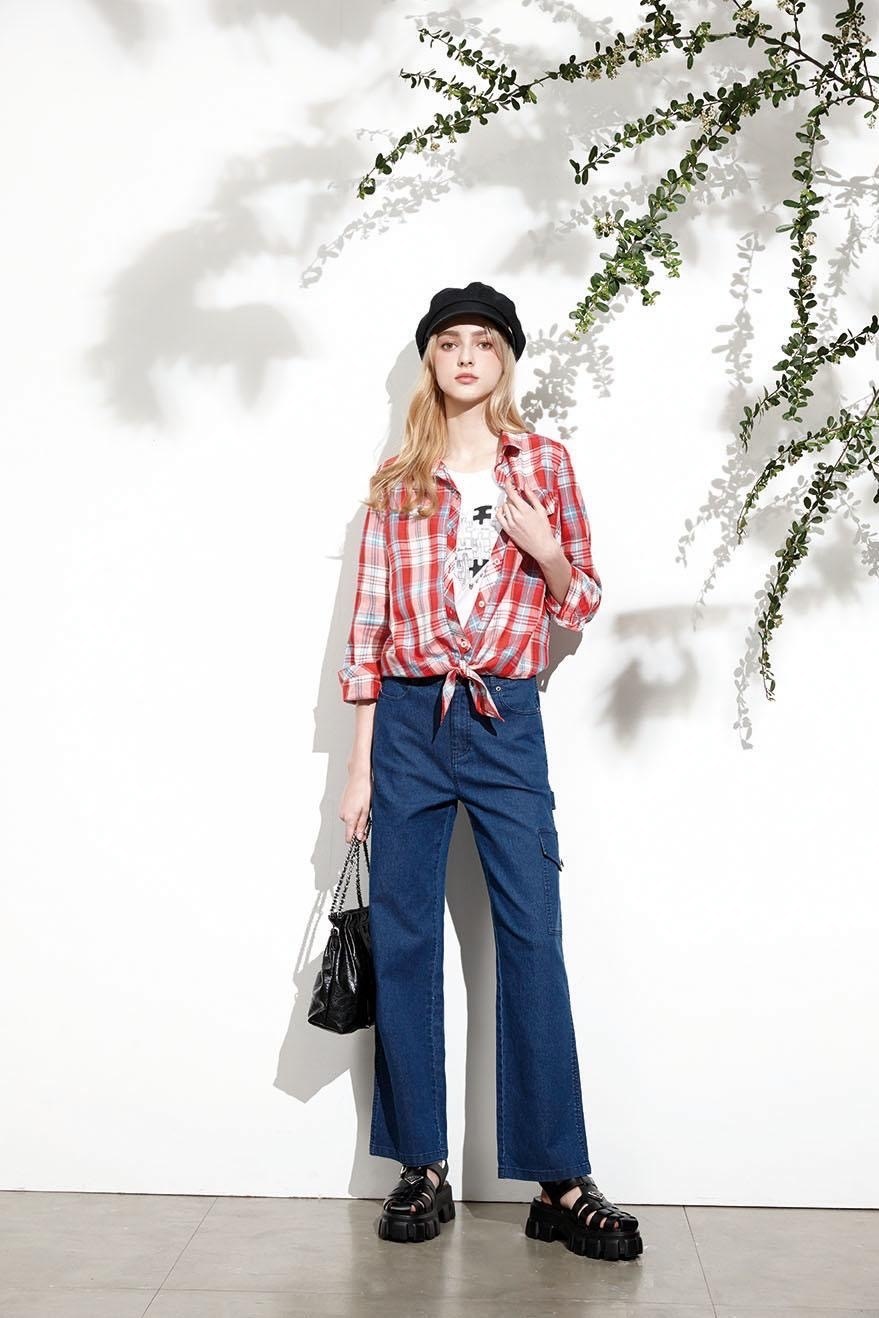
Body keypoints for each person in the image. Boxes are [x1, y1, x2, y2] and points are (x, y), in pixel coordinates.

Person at [337, 281, 642, 1261]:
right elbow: (369, 629)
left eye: (483, 342)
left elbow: (579, 599)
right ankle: (420, 1165)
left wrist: (546, 552)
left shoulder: (543, 462)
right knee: (406, 940)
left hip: (504, 717)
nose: (465, 356)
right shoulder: (397, 480)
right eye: (448, 343)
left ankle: (559, 1179)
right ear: (430, 359)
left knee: (531, 939)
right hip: (408, 722)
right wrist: (358, 772)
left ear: (505, 358)